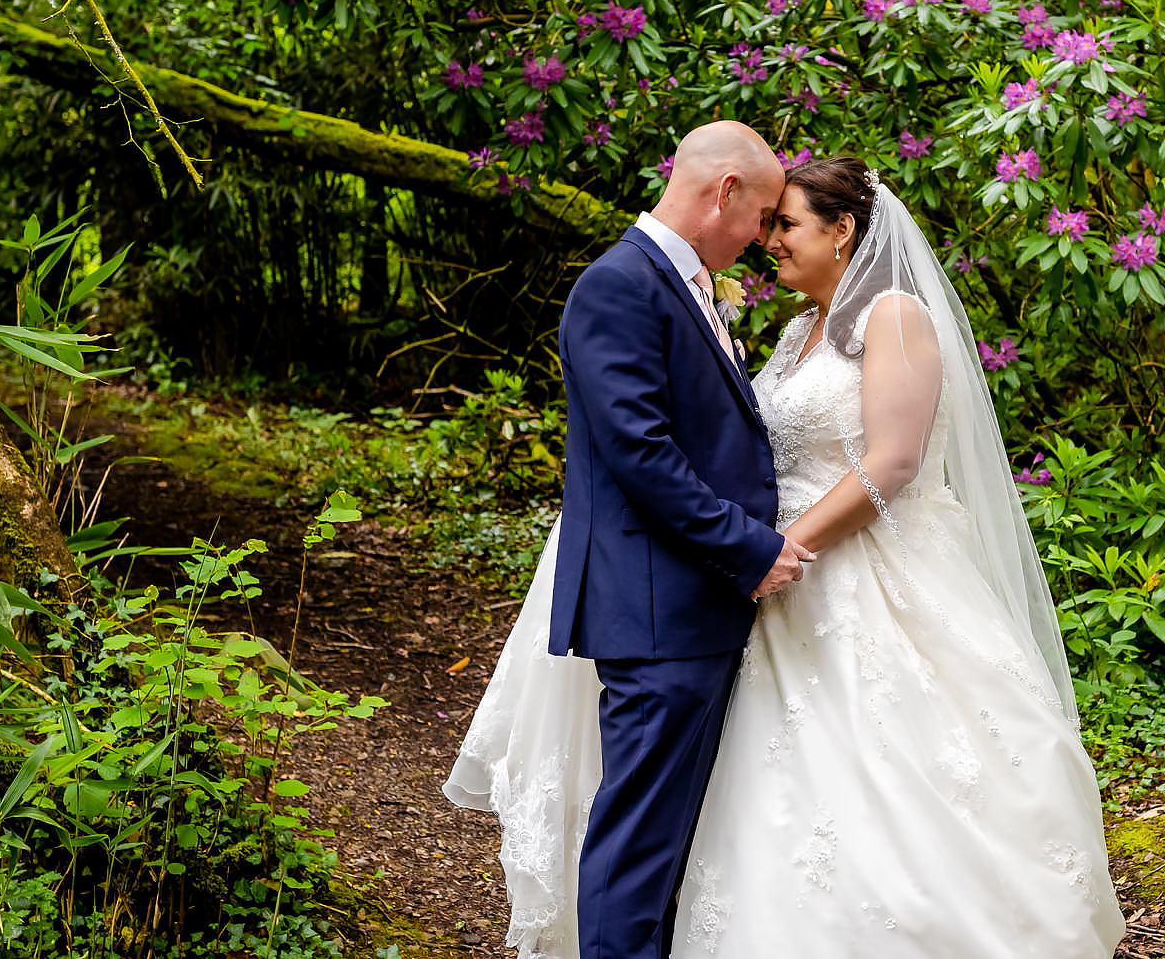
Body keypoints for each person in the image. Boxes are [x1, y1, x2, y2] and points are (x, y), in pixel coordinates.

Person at [448, 149, 1124, 958]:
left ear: (844, 231)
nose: (771, 239)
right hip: (767, 584)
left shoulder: (895, 316)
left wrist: (781, 545)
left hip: (853, 575)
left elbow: (895, 461)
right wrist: (756, 551)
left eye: (788, 224)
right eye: (768, 222)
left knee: (886, 780)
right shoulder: (801, 330)